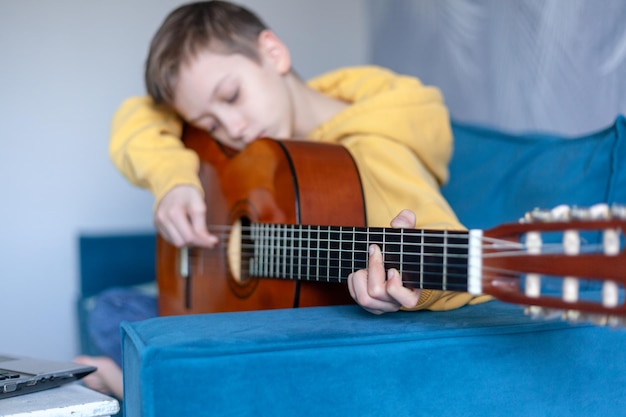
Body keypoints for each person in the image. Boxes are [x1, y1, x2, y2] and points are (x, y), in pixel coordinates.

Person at [78, 0, 491, 399]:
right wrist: (173, 179)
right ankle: (146, 379)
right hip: (230, 307)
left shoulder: (373, 155)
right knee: (112, 308)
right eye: (207, 123)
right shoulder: (264, 135)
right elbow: (139, 113)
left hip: (295, 336)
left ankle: (134, 384)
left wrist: (412, 291)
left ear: (272, 53)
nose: (232, 129)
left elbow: (453, 259)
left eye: (232, 95)